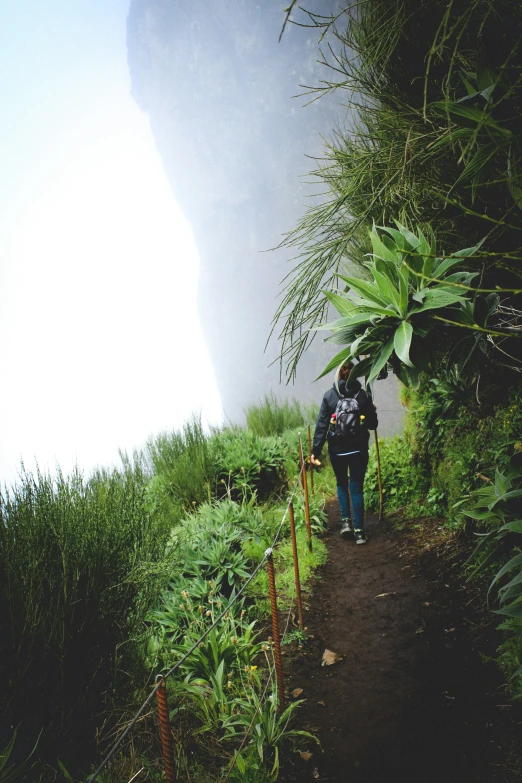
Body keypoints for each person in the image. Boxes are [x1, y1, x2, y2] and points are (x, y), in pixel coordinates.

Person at [310, 363, 378, 544]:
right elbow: (373, 424)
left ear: (338, 376)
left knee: (341, 484)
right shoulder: (362, 396)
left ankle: (346, 523)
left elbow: (322, 426)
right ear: (355, 375)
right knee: (356, 488)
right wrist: (372, 408)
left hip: (337, 451)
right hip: (358, 450)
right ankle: (360, 532)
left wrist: (314, 452)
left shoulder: (329, 396)